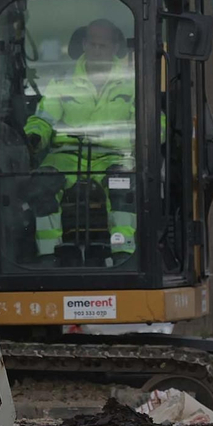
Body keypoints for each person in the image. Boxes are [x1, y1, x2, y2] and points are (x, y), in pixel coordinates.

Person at [23, 18, 138, 261]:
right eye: (93, 44)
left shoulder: (133, 83)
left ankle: (123, 255)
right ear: (84, 44)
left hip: (113, 158)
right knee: (41, 186)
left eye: (103, 46)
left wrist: (152, 134)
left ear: (115, 47)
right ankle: (49, 256)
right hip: (67, 157)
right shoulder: (63, 82)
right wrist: (34, 136)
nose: (97, 51)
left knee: (124, 187)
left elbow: (152, 119)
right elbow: (44, 118)